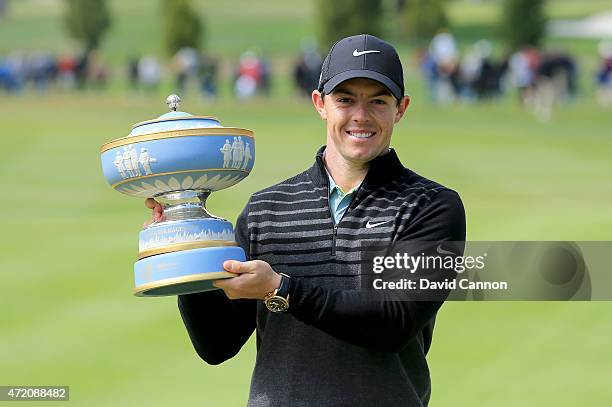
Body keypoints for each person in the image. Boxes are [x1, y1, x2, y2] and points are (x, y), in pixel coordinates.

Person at [145, 34, 465, 406]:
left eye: (377, 101)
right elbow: (217, 344)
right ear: (320, 103)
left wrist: (282, 289)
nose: (361, 115)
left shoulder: (430, 207)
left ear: (401, 108)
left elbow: (394, 322)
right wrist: (187, 247)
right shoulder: (267, 209)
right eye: (345, 100)